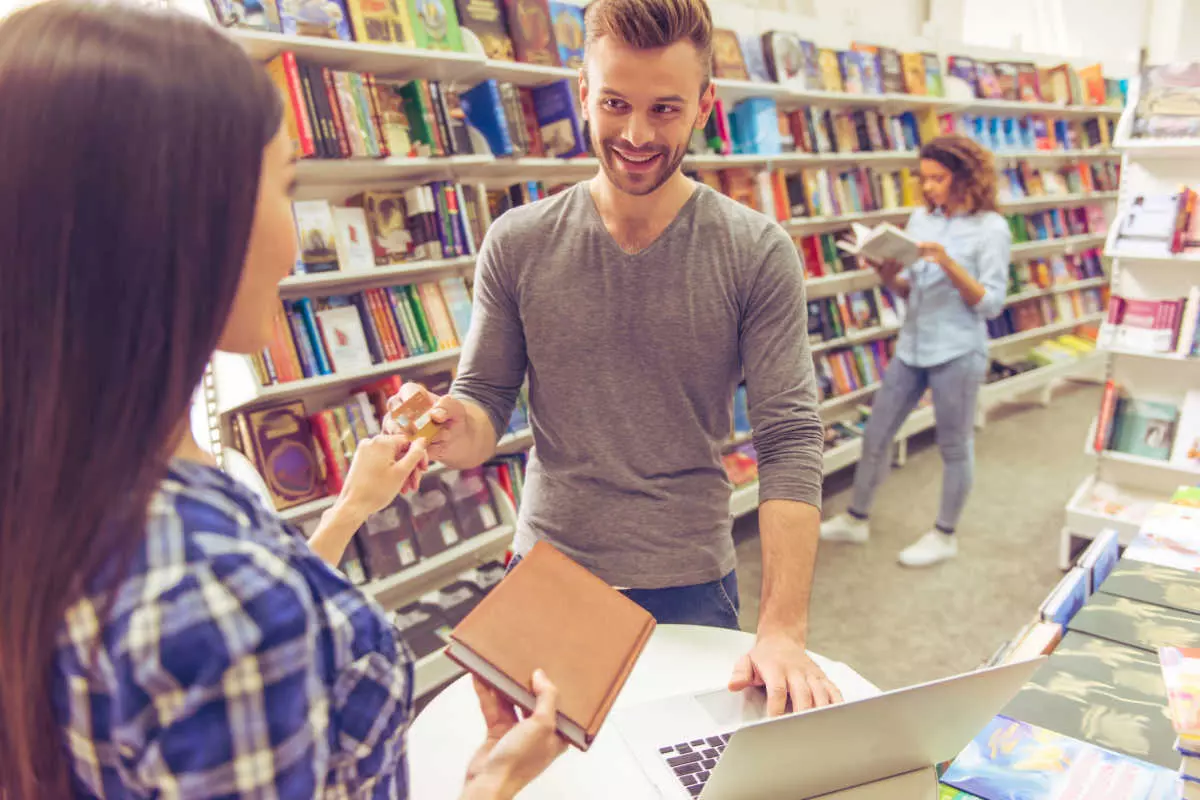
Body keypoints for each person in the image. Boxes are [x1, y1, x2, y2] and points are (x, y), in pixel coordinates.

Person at [0, 4, 564, 797]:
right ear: (185, 221)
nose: (295, 237)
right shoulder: (225, 608)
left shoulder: (60, 490)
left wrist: (347, 512)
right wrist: (489, 790)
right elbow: (240, 620)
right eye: (286, 185)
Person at [386, 0, 842, 716]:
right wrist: (446, 424)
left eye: (664, 109)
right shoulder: (518, 241)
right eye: (614, 104)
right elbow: (483, 405)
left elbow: (788, 439)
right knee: (534, 781)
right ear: (582, 94)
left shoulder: (755, 250)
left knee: (683, 777)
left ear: (704, 105)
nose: (634, 134)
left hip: (689, 582)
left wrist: (783, 630)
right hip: (546, 570)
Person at [819, 135, 1011, 568]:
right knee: (876, 434)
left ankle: (945, 535)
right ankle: (856, 517)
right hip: (913, 345)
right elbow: (911, 289)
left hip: (958, 351)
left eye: (938, 179)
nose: (928, 188)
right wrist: (888, 274)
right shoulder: (920, 219)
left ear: (965, 178)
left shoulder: (991, 229)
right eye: (923, 179)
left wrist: (948, 262)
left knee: (955, 446)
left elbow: (991, 304)